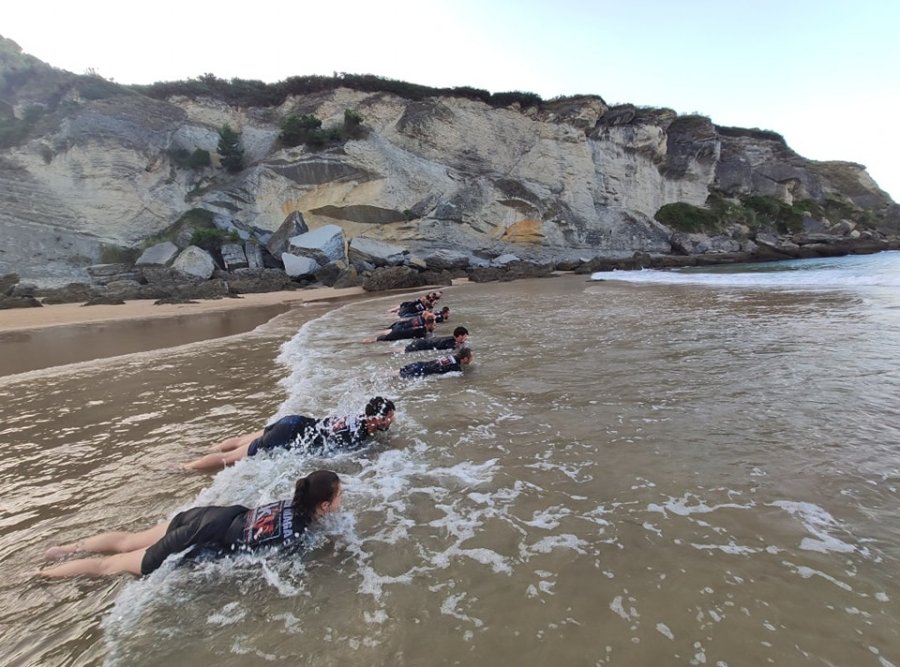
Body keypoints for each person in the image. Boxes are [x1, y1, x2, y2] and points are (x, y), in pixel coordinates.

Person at [38, 470, 342, 578]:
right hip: (201, 534)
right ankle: (43, 573)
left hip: (208, 515)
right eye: (339, 495)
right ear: (324, 505)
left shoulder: (293, 502)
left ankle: (64, 549)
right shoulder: (300, 533)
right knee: (112, 566)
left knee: (129, 540)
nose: (343, 499)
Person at [183, 397, 396, 471]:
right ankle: (184, 467)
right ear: (375, 418)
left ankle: (203, 450)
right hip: (288, 435)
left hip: (293, 421)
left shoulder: (358, 416)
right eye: (388, 417)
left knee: (241, 440)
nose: (391, 421)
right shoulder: (358, 435)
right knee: (229, 459)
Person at [399, 347, 474, 378]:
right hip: (420, 372)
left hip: (419, 364)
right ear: (465, 359)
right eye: (471, 357)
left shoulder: (451, 356)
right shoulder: (456, 367)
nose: (472, 359)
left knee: (394, 374)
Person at [365, 314, 435, 343]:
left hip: (398, 331)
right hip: (397, 334)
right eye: (433, 325)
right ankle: (358, 342)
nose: (434, 327)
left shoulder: (421, 329)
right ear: (429, 324)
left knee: (377, 338)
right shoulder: (422, 332)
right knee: (374, 341)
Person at [404, 326, 469, 353]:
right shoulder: (451, 343)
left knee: (401, 350)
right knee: (400, 351)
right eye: (465, 336)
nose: (466, 338)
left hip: (420, 342)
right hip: (419, 345)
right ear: (460, 336)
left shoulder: (451, 339)